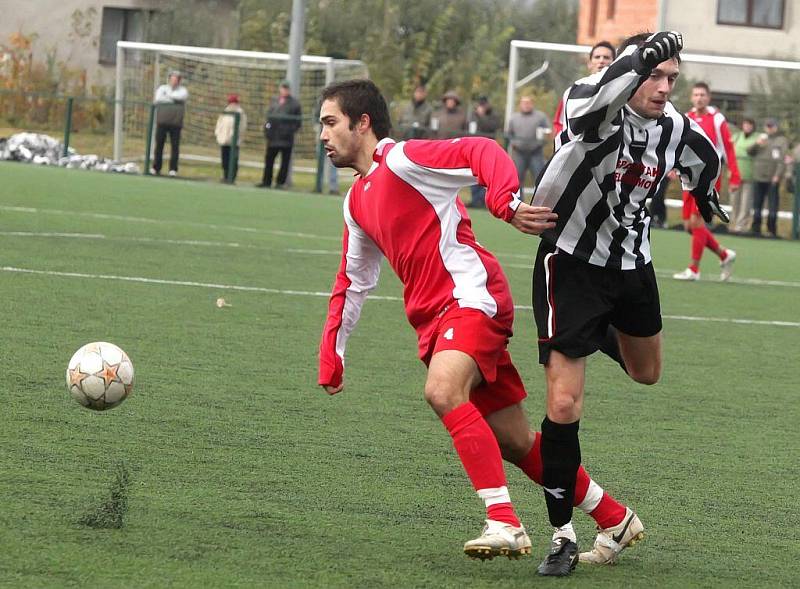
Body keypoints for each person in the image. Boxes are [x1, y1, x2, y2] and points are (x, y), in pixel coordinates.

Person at [317, 79, 644, 566]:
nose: (322, 135)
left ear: (361, 123)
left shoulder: (404, 160)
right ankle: (614, 516)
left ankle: (505, 522)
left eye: (329, 122)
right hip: (436, 320)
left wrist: (505, 202)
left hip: (472, 299)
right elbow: (352, 281)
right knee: (515, 441)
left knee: (442, 391)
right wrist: (333, 353)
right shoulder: (355, 200)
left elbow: (481, 149)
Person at [529, 31, 729, 576]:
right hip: (571, 265)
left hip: (632, 269)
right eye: (654, 75)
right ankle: (562, 534)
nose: (664, 89)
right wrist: (634, 61)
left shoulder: (675, 128)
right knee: (564, 405)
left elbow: (702, 156)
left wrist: (706, 191)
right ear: (630, 69)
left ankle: (589, 334)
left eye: (672, 78)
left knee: (647, 373)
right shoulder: (588, 103)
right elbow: (593, 106)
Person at [673, 82, 740, 281]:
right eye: (696, 94)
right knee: (689, 226)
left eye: (703, 94)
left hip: (709, 177)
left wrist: (734, 175)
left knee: (697, 221)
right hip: (688, 177)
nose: (699, 98)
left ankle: (694, 269)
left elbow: (728, 148)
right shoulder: (688, 117)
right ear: (692, 97)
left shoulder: (717, 119)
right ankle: (724, 254)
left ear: (708, 97)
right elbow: (678, 146)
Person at [552, 41, 616, 138]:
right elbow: (559, 123)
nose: (601, 61)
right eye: (597, 57)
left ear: (615, 63)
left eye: (606, 57)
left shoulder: (623, 92)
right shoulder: (572, 91)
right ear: (589, 64)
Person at [749, 118, 789, 237]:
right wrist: (757, 143)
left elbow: (782, 160)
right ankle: (756, 229)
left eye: (771, 126)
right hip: (758, 176)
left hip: (772, 178)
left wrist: (778, 175)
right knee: (757, 205)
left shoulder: (781, 141)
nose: (769, 128)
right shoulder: (760, 138)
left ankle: (771, 230)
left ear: (776, 127)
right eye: (767, 126)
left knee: (772, 206)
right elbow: (749, 152)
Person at [258, 80, 302, 189]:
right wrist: (267, 131)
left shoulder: (295, 104)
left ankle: (280, 182)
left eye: (286, 88)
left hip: (286, 138)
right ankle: (266, 181)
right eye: (283, 88)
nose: (284, 90)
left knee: (284, 162)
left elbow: (298, 122)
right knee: (269, 159)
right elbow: (269, 117)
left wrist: (289, 131)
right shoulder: (274, 101)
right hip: (273, 137)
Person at [507, 96, 550, 194]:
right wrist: (513, 143)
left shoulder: (540, 117)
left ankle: (540, 202)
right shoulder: (514, 118)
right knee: (516, 179)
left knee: (540, 178)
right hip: (519, 153)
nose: (526, 105)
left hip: (536, 153)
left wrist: (543, 138)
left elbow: (548, 131)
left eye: (528, 103)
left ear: (532, 104)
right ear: (520, 105)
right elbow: (509, 134)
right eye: (524, 103)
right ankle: (518, 203)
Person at [152, 71, 188, 177]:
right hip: (162, 121)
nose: (174, 82)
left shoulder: (183, 90)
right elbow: (158, 98)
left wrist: (168, 96)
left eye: (176, 80)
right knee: (159, 145)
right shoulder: (162, 88)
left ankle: (173, 169)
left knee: (175, 146)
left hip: (176, 123)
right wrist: (172, 98)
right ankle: (156, 168)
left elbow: (181, 97)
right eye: (172, 79)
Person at [468, 96, 502, 208]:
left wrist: (481, 116)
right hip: (475, 148)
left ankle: (484, 201)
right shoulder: (473, 115)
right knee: (474, 175)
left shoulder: (493, 115)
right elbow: (469, 128)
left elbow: (491, 126)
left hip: (488, 149)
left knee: (486, 176)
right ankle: (475, 200)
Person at [730, 117, 759, 233]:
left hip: (749, 175)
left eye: (750, 125)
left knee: (745, 203)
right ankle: (733, 223)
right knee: (734, 201)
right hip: (735, 175)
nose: (747, 127)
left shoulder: (758, 138)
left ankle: (741, 226)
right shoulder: (736, 137)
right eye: (745, 124)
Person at [214, 94, 247, 184]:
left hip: (234, 141)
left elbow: (242, 126)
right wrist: (218, 134)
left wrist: (237, 136)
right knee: (225, 159)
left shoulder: (240, 112)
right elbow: (219, 123)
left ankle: (232, 177)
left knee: (233, 160)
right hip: (224, 140)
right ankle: (225, 176)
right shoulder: (225, 111)